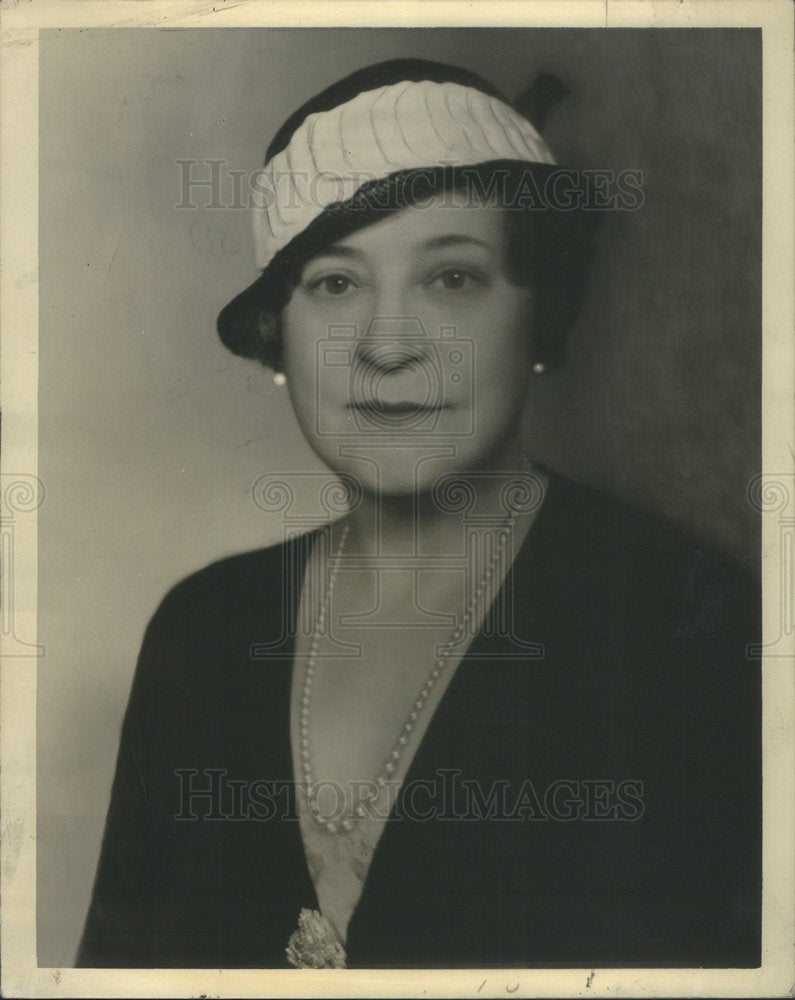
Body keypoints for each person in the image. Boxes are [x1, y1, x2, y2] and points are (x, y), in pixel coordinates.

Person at [76, 58, 761, 969]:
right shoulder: (202, 630)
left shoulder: (685, 624)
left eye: (452, 279)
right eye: (334, 284)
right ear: (280, 337)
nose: (388, 345)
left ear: (540, 318)